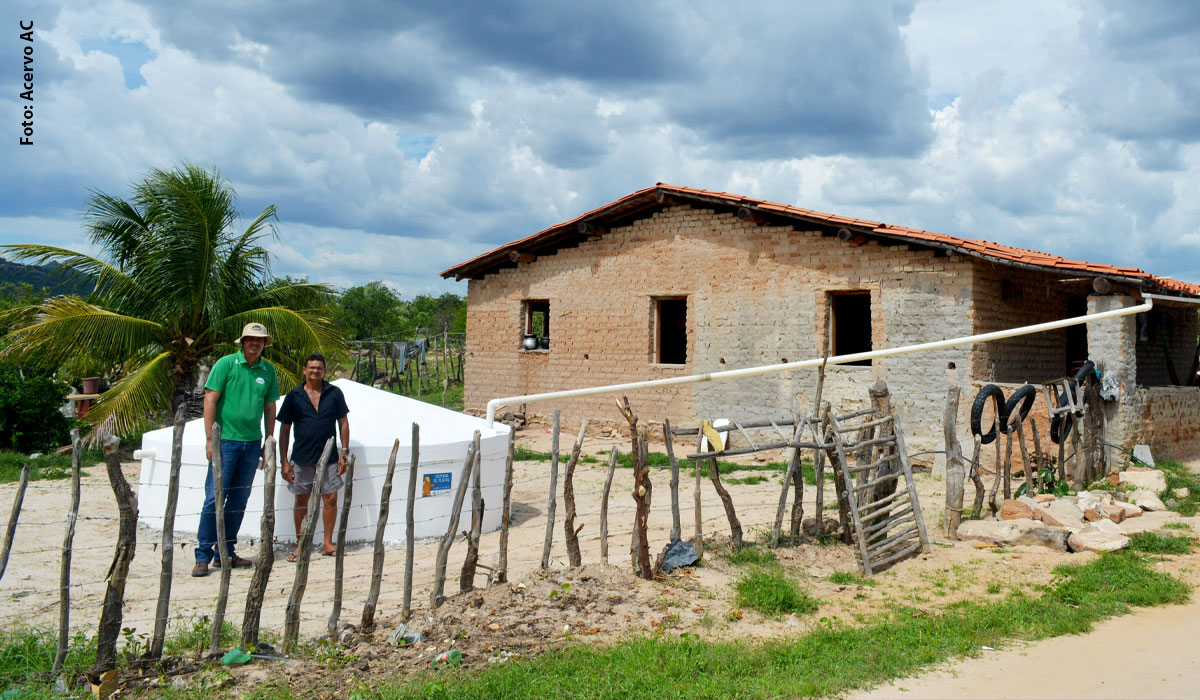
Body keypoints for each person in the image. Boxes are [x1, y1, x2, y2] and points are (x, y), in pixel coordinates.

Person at [194, 322, 279, 577]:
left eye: (259, 340)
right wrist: (210, 440)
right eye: (251, 339)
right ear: (242, 342)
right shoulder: (226, 364)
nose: (255, 343)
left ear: (264, 344)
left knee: (239, 500)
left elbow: (270, 407)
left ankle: (225, 553)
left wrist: (268, 441)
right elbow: (210, 399)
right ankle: (202, 556)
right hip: (226, 442)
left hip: (252, 443)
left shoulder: (268, 370)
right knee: (214, 498)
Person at [278, 352, 350, 561]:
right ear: (304, 370)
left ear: (324, 371)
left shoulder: (334, 393)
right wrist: (284, 461)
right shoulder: (294, 395)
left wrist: (344, 453)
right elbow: (285, 429)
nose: (315, 371)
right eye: (312, 367)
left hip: (329, 457)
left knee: (331, 498)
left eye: (319, 368)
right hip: (302, 456)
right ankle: (301, 544)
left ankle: (328, 544)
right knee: (302, 499)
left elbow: (343, 422)